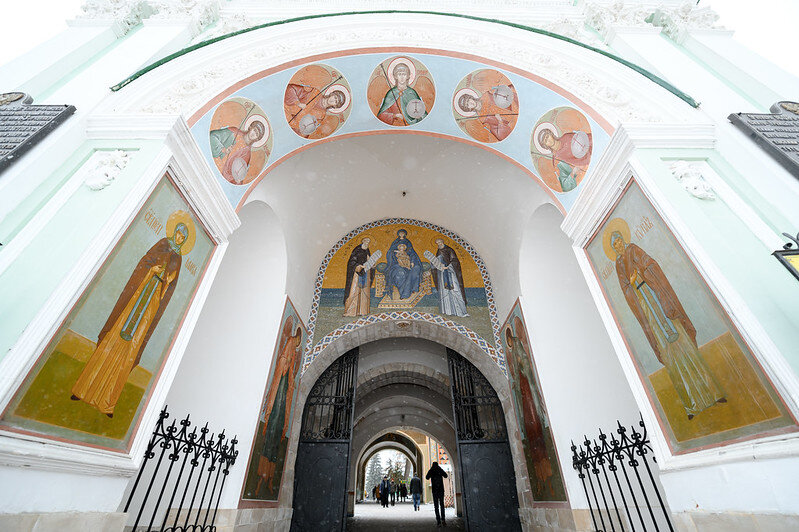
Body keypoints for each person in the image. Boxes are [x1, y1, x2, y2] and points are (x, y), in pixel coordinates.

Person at [71, 222, 187, 417]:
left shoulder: (179, 258)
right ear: (174, 233)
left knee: (131, 350)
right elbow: (145, 261)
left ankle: (107, 403)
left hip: (151, 304)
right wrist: (152, 270)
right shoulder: (163, 244)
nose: (179, 238)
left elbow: (171, 285)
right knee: (113, 338)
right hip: (138, 295)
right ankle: (83, 390)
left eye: (183, 237)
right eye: (178, 234)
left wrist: (167, 282)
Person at [611, 231, 725, 418]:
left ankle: (714, 392)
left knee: (685, 346)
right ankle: (691, 406)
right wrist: (630, 284)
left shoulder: (633, 249)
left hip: (660, 302)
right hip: (648, 311)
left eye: (619, 241)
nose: (618, 245)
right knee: (670, 358)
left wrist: (642, 272)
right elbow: (625, 290)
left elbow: (651, 264)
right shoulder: (619, 265)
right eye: (615, 244)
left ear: (624, 240)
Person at [505, 323, 555, 500]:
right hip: (523, 394)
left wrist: (521, 369)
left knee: (534, 425)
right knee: (530, 428)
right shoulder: (512, 353)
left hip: (527, 391)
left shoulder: (518, 350)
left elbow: (524, 363)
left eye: (510, 340)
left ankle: (546, 481)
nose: (510, 343)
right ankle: (542, 483)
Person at [255, 318, 302, 496]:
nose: (297, 343)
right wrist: (287, 366)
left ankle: (269, 479)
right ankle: (262, 479)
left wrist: (291, 374)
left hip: (285, 393)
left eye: (298, 340)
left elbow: (292, 368)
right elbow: (283, 360)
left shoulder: (295, 349)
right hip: (281, 385)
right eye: (297, 340)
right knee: (273, 428)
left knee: (277, 434)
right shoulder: (290, 342)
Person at [209, 120, 266, 184]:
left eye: (256, 134)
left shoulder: (247, 154)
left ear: (257, 139)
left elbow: (238, 174)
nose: (253, 134)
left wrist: (237, 179)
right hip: (210, 164)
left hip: (221, 178)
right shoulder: (234, 132)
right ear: (250, 127)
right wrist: (223, 150)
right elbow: (212, 136)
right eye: (254, 130)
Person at [536, 127, 591, 193]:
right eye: (545, 141)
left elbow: (587, 138)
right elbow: (565, 185)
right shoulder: (557, 161)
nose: (549, 140)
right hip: (587, 174)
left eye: (547, 136)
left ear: (551, 134)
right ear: (545, 146)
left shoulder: (566, 137)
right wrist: (573, 173)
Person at [430, 238, 469, 317]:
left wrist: (448, 267)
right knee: (445, 292)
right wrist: (436, 265)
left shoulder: (449, 250)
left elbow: (455, 261)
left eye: (440, 242)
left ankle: (460, 311)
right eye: (437, 243)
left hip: (451, 274)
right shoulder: (438, 251)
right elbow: (437, 263)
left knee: (455, 291)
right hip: (442, 275)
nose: (439, 244)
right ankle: (447, 311)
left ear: (443, 242)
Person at [385, 229, 422, 300]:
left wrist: (412, 261)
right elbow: (390, 252)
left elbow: (412, 253)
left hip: (408, 262)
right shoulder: (395, 242)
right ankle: (404, 293)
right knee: (400, 273)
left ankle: (413, 288)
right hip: (396, 264)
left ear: (405, 234)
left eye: (403, 233)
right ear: (398, 234)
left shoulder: (408, 242)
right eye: (400, 233)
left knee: (416, 268)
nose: (402, 234)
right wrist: (395, 252)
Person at [343, 237, 375, 317]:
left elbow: (369, 261)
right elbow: (352, 261)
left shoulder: (367, 250)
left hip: (366, 273)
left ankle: (362, 311)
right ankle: (351, 311)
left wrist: (372, 265)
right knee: (354, 291)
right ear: (362, 241)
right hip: (357, 274)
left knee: (364, 292)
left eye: (368, 241)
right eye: (366, 241)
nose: (367, 242)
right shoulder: (357, 250)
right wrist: (358, 266)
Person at [426, 462, 448, 527]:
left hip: (435, 490)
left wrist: (431, 471)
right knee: (442, 505)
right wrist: (440, 470)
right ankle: (443, 519)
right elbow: (446, 476)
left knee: (436, 506)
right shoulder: (439, 469)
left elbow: (427, 477)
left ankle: (438, 521)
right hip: (441, 490)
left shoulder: (432, 470)